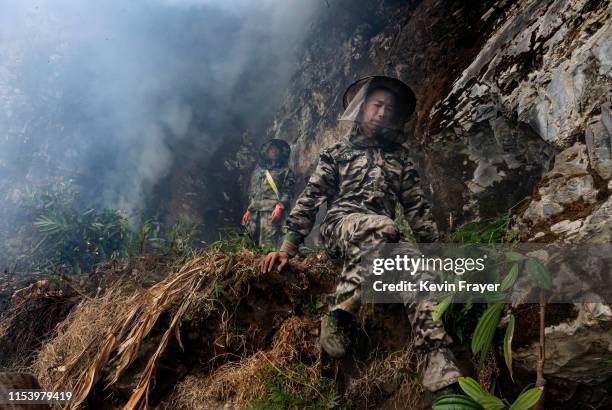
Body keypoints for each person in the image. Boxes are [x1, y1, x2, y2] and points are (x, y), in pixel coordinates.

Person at [259, 76, 461, 392]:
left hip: (384, 238)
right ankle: (340, 313)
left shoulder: (401, 158)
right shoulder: (337, 152)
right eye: (377, 105)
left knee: (416, 268)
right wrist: (287, 247)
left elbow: (417, 209)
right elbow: (310, 199)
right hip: (340, 227)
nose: (382, 112)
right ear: (363, 107)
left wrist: (436, 254)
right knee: (381, 226)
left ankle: (438, 360)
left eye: (389, 109)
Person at [242, 138, 295, 247]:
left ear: (281, 153)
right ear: (266, 153)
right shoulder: (260, 171)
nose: (274, 151)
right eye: (271, 149)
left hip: (271, 212)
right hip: (255, 212)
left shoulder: (285, 171)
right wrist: (249, 209)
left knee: (267, 245)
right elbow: (255, 192)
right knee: (248, 245)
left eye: (276, 149)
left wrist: (280, 206)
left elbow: (288, 190)